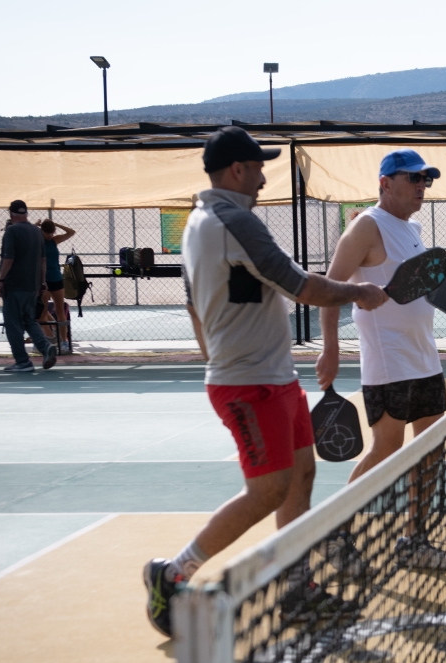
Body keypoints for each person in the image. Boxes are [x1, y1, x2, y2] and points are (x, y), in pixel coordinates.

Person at [142, 126, 387, 637]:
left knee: (300, 479)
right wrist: (358, 292)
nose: (262, 175)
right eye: (257, 166)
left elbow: (195, 304)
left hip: (271, 377)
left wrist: (220, 357)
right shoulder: (235, 220)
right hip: (249, 383)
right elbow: (300, 286)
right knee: (269, 489)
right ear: (236, 171)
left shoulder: (199, 220)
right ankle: (173, 574)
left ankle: (298, 592)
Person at [315, 148, 446, 570]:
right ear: (386, 183)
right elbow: (329, 288)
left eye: (426, 180)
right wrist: (331, 347)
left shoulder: (411, 227)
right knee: (386, 452)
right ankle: (336, 534)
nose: (422, 186)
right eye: (413, 179)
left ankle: (414, 541)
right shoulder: (366, 227)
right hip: (389, 363)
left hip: (425, 359)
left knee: (430, 450)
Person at [0, 200, 56, 373]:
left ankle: (22, 361)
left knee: (13, 324)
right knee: (29, 320)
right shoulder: (36, 232)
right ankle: (45, 346)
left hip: (14, 285)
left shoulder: (11, 231)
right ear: (26, 213)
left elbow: (9, 258)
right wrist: (42, 283)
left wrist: (1, 280)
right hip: (32, 285)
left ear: (11, 214)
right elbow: (43, 260)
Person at [36, 219, 76, 352]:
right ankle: (46, 339)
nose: (48, 236)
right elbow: (25, 233)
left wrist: (56, 224)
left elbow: (71, 232)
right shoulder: (36, 239)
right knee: (42, 312)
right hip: (43, 281)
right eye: (46, 233)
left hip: (56, 279)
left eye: (51, 233)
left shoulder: (54, 240)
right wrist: (36, 226)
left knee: (60, 310)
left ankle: (64, 341)